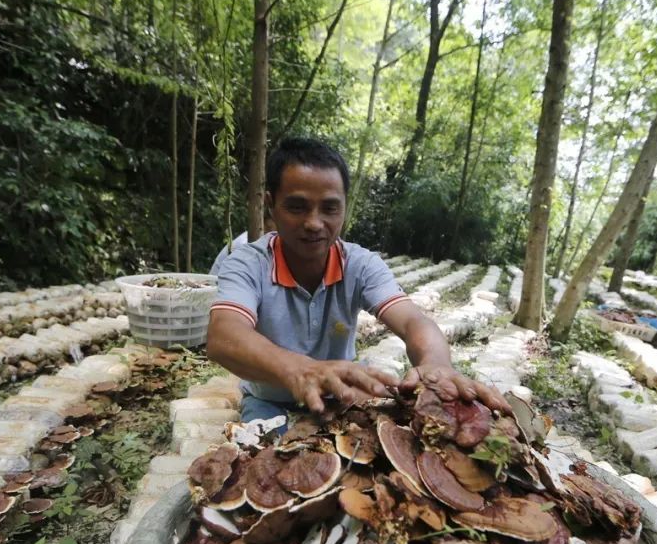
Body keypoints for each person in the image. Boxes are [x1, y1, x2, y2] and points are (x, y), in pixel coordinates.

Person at [206, 137, 509, 423]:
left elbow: (412, 322)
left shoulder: (360, 264)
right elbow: (224, 336)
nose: (313, 223)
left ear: (345, 207)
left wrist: (437, 365)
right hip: (269, 400)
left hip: (343, 394)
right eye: (297, 207)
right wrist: (300, 372)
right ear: (271, 205)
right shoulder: (248, 263)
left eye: (329, 208)